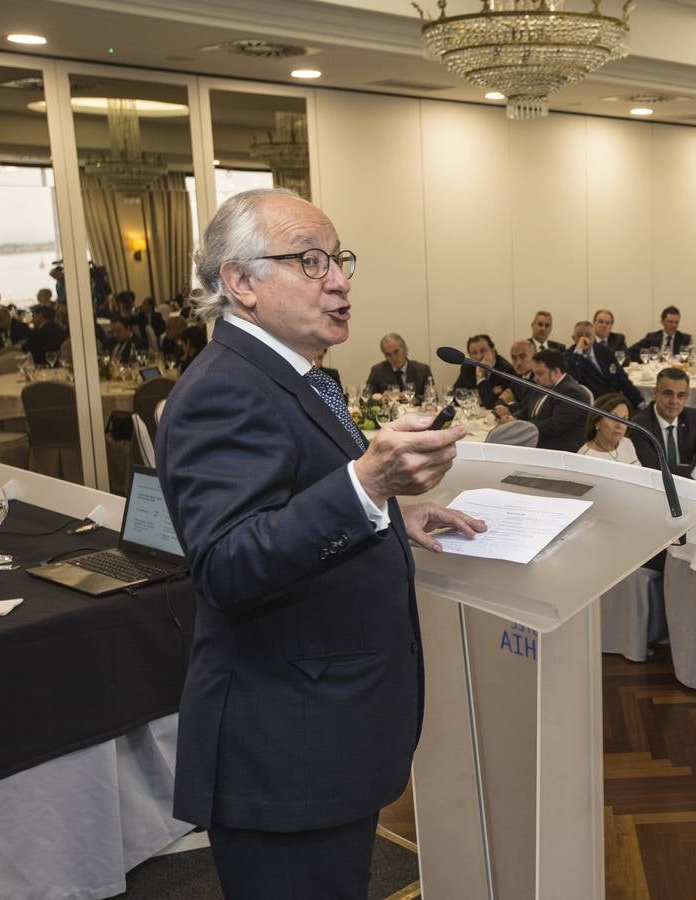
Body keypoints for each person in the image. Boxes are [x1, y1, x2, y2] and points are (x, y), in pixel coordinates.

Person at [155, 187, 484, 896]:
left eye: (339, 259)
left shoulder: (292, 376)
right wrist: (367, 486)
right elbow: (227, 566)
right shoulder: (224, 389)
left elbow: (289, 503)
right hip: (286, 752)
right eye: (310, 261)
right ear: (240, 282)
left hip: (322, 739)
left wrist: (395, 515)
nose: (339, 280)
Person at [628, 367, 696, 480]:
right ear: (655, 393)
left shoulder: (691, 417)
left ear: (687, 397)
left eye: (681, 395)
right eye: (668, 394)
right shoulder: (639, 425)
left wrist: (685, 471)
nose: (674, 401)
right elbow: (652, 468)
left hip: (689, 486)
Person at [492, 348, 587, 451]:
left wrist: (519, 425)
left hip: (559, 448)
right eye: (534, 373)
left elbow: (554, 426)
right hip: (539, 440)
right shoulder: (545, 385)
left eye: (540, 373)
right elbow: (526, 409)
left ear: (556, 372)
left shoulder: (571, 392)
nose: (535, 378)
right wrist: (511, 419)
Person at [565, 320, 642, 411]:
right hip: (592, 404)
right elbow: (573, 378)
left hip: (614, 399)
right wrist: (578, 351)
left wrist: (640, 402)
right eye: (580, 335)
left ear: (594, 337)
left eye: (588, 335)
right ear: (573, 338)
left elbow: (622, 378)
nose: (584, 339)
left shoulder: (605, 352)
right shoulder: (569, 356)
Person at [452, 333, 517, 407]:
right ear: (470, 355)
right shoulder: (467, 367)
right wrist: (486, 395)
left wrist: (480, 375)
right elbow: (456, 398)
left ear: (492, 350)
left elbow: (491, 403)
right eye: (474, 353)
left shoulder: (506, 369)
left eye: (483, 351)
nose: (479, 356)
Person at [577, 392, 639, 464]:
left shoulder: (627, 443)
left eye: (624, 419)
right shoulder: (584, 457)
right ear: (597, 421)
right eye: (613, 417)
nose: (619, 425)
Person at [366, 332, 432, 395]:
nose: (394, 358)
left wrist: (415, 400)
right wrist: (380, 399)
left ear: (405, 349)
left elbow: (433, 399)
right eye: (388, 355)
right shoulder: (377, 371)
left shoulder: (423, 370)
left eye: (396, 352)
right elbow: (364, 400)